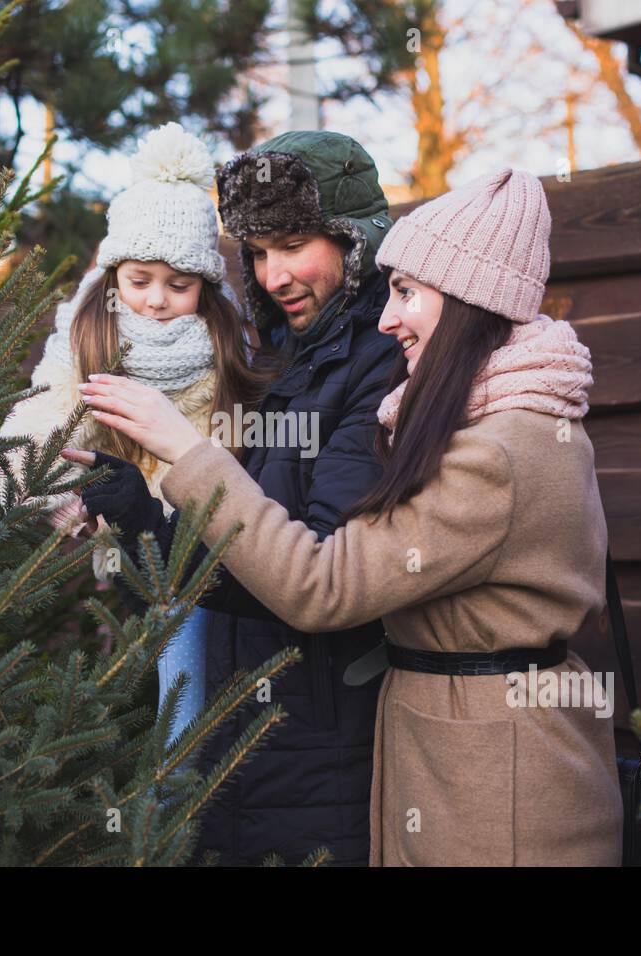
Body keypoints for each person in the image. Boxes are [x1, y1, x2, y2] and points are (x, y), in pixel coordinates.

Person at [69, 168, 624, 865]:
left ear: (469, 299)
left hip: (495, 780)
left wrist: (182, 450)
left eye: (406, 294)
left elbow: (324, 585)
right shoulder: (455, 416)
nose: (388, 320)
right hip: (444, 754)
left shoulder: (496, 451)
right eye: (258, 254)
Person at [68, 131, 402, 866]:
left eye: (291, 244)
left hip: (320, 746)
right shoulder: (275, 358)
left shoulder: (382, 366)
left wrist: (183, 451)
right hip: (233, 726)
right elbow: (221, 557)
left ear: (354, 239)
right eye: (255, 251)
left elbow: (315, 573)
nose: (273, 273)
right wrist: (128, 506)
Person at [0, 122, 269, 745]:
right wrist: (49, 491)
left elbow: (222, 451)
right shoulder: (89, 333)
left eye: (179, 285)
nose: (156, 301)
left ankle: (180, 786)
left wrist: (175, 523)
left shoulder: (221, 343)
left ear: (204, 284)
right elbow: (45, 416)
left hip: (191, 545)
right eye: (139, 281)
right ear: (115, 272)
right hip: (109, 533)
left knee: (186, 673)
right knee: (117, 672)